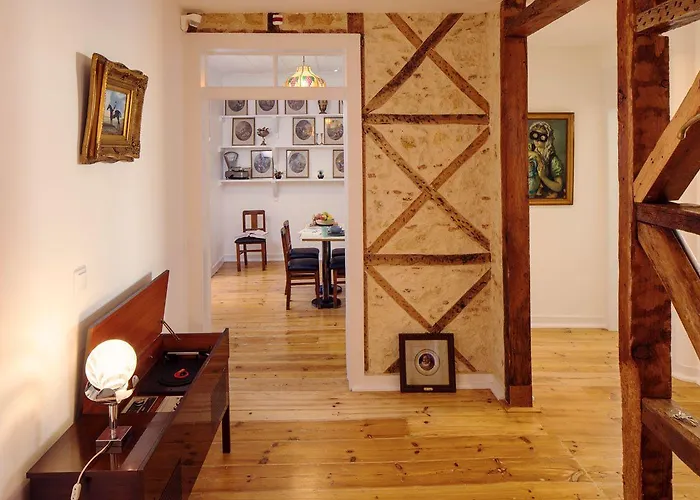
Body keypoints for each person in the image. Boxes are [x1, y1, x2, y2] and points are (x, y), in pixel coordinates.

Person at [528, 121, 565, 199]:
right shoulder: (530, 148)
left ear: (547, 139)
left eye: (541, 137)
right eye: (535, 135)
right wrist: (537, 156)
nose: (537, 140)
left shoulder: (553, 159)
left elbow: (559, 186)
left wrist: (543, 177)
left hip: (544, 194)